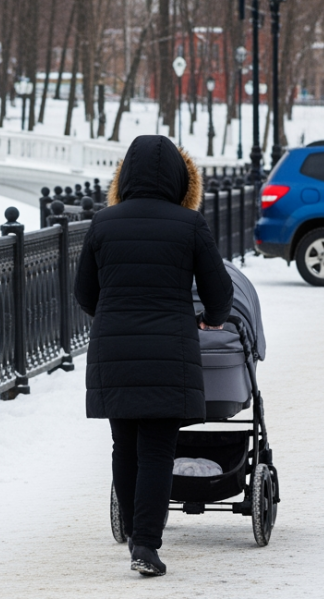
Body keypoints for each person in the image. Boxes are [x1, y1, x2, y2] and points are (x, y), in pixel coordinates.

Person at [73, 135, 233, 577]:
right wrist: (213, 318)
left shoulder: (103, 223)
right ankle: (146, 541)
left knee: (123, 444)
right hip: (169, 349)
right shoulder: (188, 224)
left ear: (123, 176)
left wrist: (113, 314)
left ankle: (131, 527)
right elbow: (219, 290)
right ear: (182, 179)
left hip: (115, 348)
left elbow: (84, 292)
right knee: (158, 448)